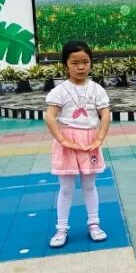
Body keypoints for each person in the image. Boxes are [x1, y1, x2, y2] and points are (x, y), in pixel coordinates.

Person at [45, 40, 112, 248]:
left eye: (85, 62)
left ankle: (94, 224)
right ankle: (61, 228)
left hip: (89, 142)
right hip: (67, 144)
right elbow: (50, 117)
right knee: (66, 188)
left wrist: (99, 138)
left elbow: (105, 114)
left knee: (89, 185)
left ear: (91, 62)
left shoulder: (97, 89)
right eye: (75, 63)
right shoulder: (60, 90)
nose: (81, 67)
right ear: (65, 64)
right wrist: (62, 139)